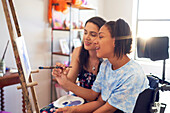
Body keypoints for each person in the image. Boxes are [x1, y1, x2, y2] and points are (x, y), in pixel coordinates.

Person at [53, 19, 149, 113]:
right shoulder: (106, 66)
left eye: (100, 37)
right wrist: (73, 110)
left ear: (115, 41)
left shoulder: (132, 75)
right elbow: (96, 98)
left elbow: (108, 109)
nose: (95, 42)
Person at [52, 16, 106, 91]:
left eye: (93, 35)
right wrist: (61, 77)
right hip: (80, 99)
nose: (87, 37)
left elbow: (97, 96)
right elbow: (68, 88)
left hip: (100, 102)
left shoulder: (106, 58)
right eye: (85, 33)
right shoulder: (78, 52)